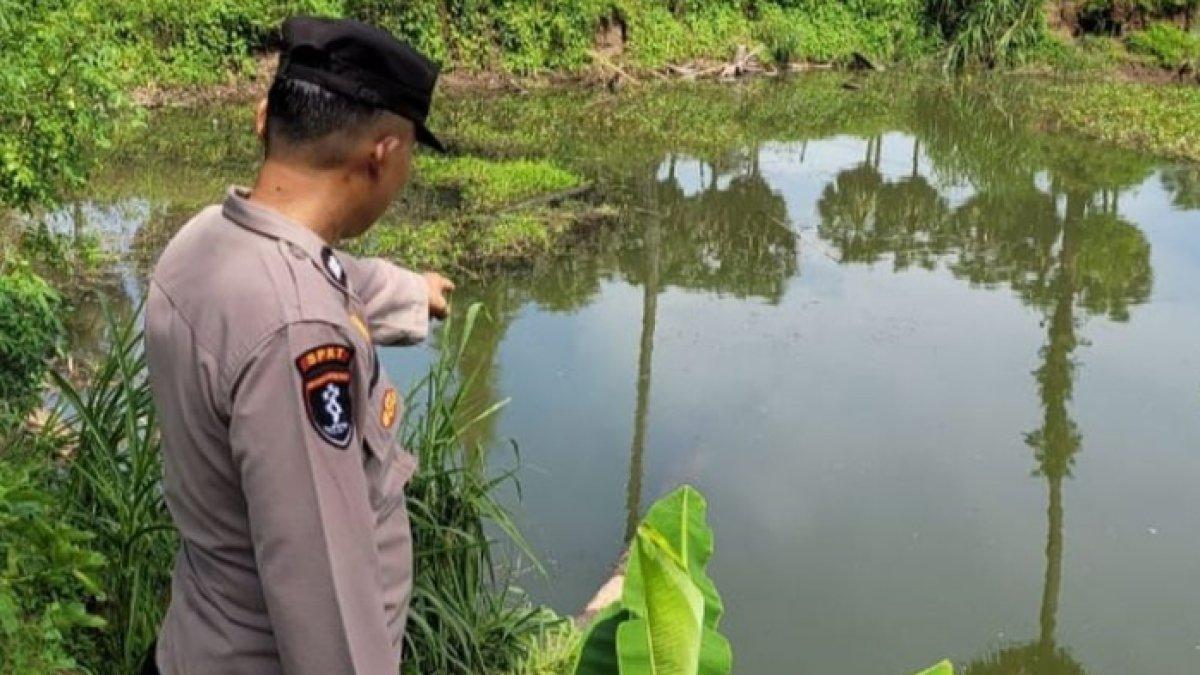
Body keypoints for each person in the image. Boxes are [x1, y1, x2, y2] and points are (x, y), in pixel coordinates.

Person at [143, 16, 455, 675]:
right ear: (383, 154)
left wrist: (411, 291)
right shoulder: (303, 340)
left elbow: (321, 278)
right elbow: (324, 599)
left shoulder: (204, 240)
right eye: (411, 154)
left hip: (193, 647)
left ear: (266, 120)